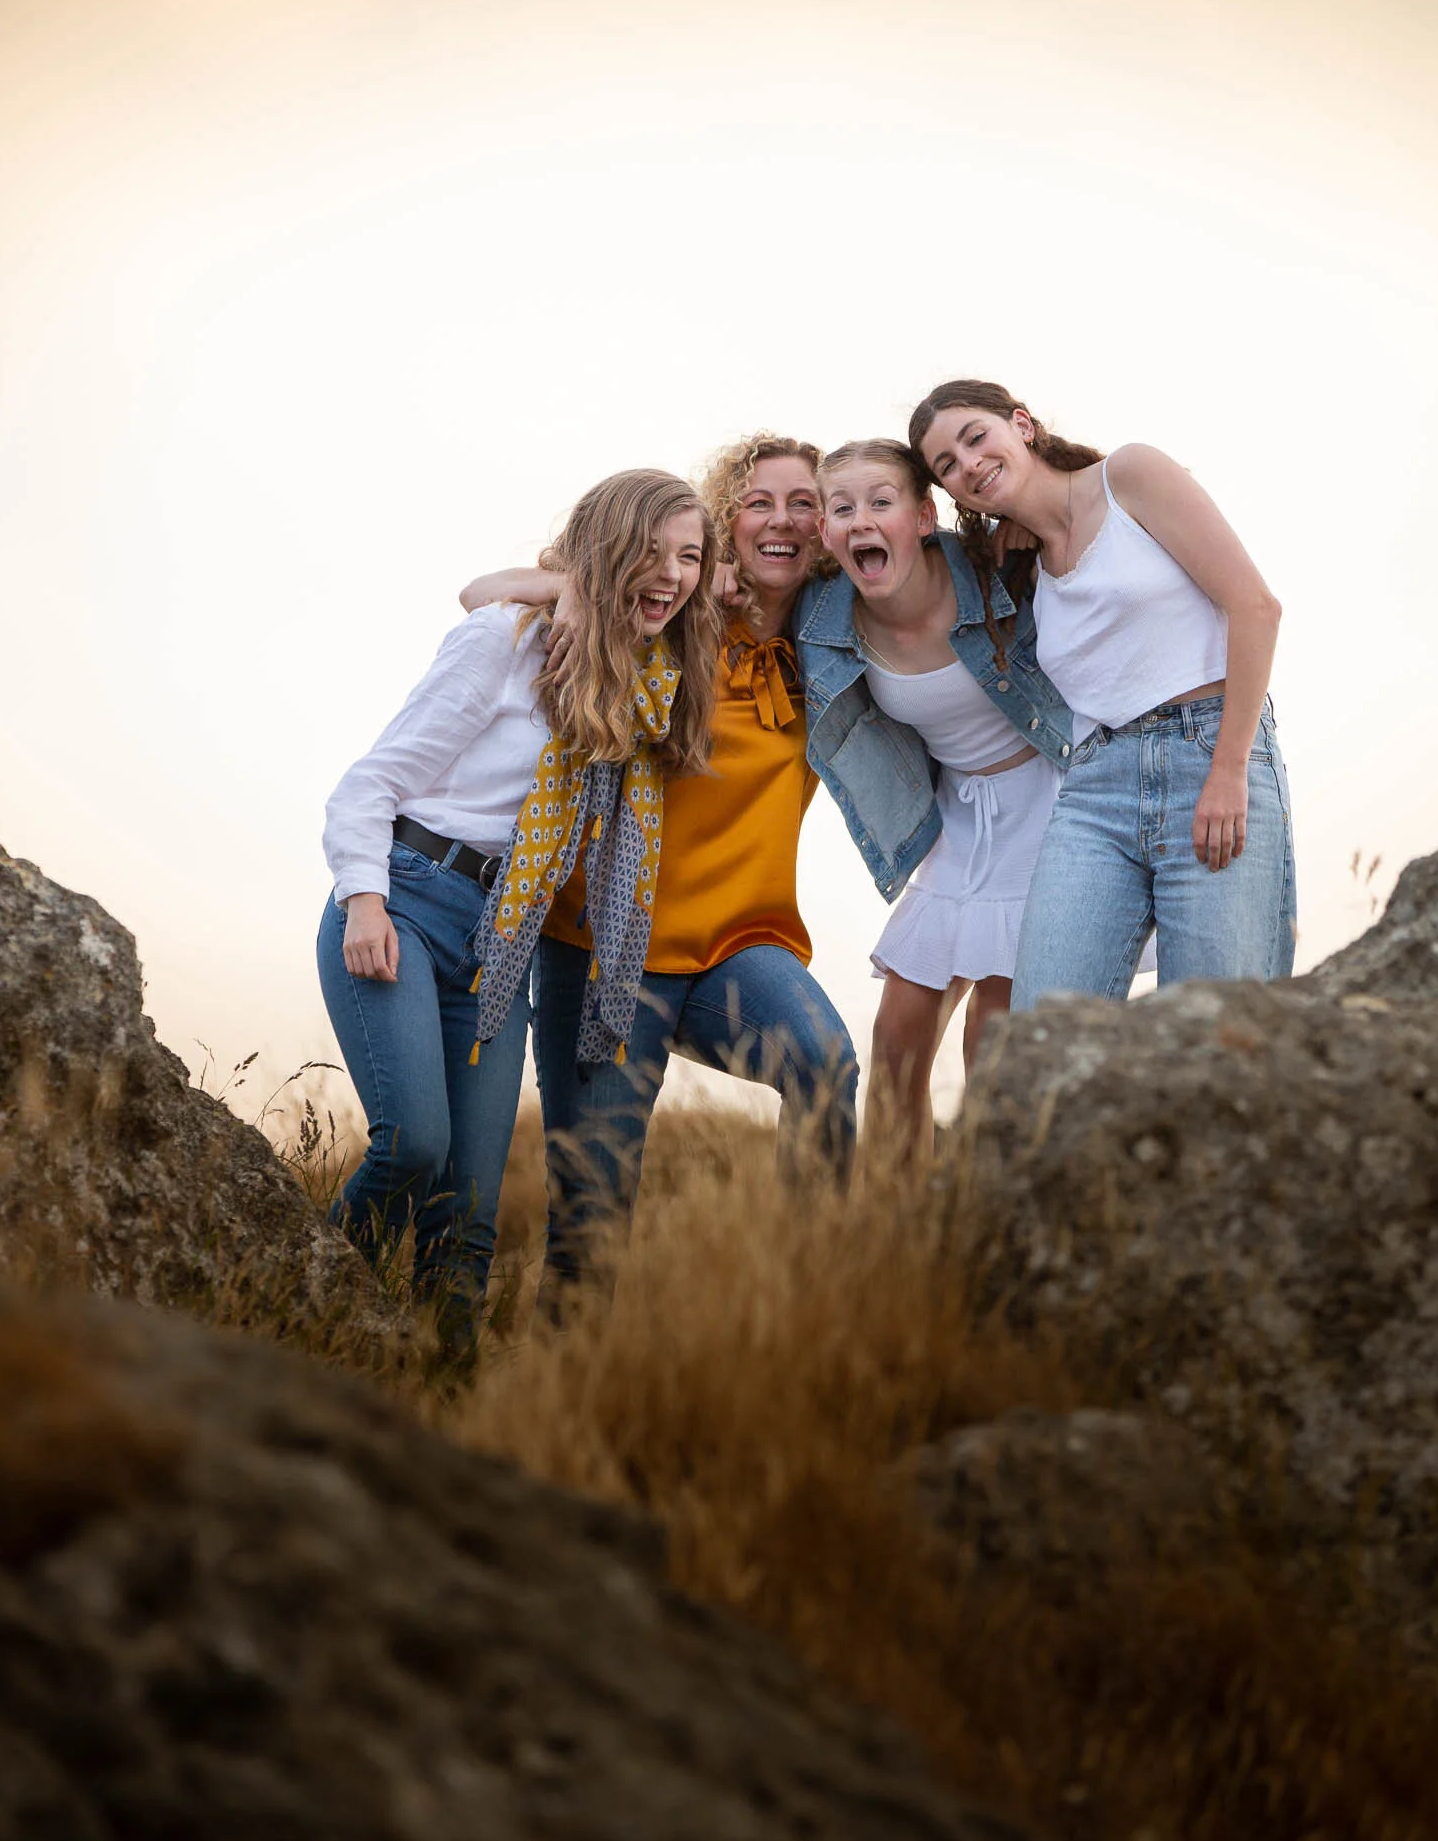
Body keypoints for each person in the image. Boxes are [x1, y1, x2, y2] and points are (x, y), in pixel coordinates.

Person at [320, 468, 718, 1342]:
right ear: (606, 550)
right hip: (408, 905)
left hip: (503, 940)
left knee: (468, 1214)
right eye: (652, 551)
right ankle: (304, 1300)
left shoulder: (639, 684)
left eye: (689, 557)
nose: (675, 573)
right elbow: (369, 785)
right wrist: (364, 903)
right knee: (413, 1147)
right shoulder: (503, 642)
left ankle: (440, 1383)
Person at [461, 434, 859, 1302]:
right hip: (603, 944)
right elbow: (481, 594)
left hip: (739, 948)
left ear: (827, 528)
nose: (784, 519)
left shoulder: (832, 653)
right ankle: (568, 1391)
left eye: (805, 503)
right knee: (593, 1221)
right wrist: (576, 588)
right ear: (725, 522)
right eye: (760, 502)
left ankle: (814, 1296)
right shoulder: (667, 617)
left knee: (824, 1067)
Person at [910, 380, 1296, 1007]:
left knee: (1213, 1033)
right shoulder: (1022, 561)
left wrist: (1229, 771)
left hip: (1210, 753)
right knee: (1043, 1026)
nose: (969, 464)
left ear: (1023, 425)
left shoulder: (1130, 475)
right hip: (1093, 788)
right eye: (946, 465)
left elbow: (1256, 608)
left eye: (975, 437)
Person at [796, 439, 1073, 1154]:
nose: (861, 520)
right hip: (956, 822)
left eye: (880, 502)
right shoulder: (822, 620)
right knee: (895, 1045)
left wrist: (1031, 521)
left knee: (995, 1034)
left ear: (921, 516)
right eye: (841, 507)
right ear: (825, 532)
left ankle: (989, 1209)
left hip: (1047, 803)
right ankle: (900, 1226)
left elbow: (1082, 517)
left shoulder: (993, 570)